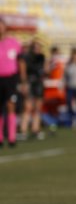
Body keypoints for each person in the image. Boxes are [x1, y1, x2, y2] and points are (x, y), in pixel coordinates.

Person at [0, 18, 23, 148]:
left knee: (11, 106)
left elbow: (21, 62)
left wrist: (23, 80)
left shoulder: (13, 43)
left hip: (10, 79)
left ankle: (12, 137)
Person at [19, 40, 47, 140]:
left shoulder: (42, 57)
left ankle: (36, 129)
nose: (38, 49)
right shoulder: (26, 57)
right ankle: (23, 130)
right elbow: (23, 72)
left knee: (38, 107)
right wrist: (24, 83)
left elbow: (45, 70)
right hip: (30, 82)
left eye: (39, 48)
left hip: (38, 83)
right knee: (28, 107)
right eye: (36, 47)